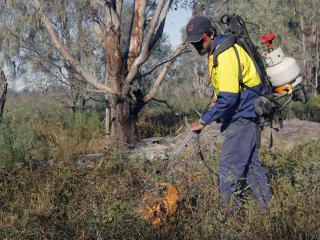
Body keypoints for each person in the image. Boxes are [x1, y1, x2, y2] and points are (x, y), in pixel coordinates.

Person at [185, 16, 272, 211]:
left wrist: (204, 120)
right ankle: (270, 214)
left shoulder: (224, 54)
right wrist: (218, 96)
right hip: (242, 114)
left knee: (228, 168)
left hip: (243, 116)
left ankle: (228, 220)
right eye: (193, 43)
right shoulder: (215, 51)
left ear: (210, 34)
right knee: (251, 167)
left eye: (200, 40)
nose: (197, 45)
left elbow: (230, 98)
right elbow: (227, 90)